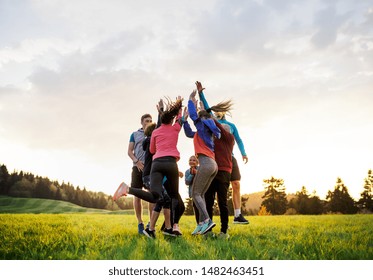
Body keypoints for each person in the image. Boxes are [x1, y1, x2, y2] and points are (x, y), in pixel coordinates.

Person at [114, 97, 184, 238]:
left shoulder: (156, 134)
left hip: (156, 169)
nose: (150, 123)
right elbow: (177, 122)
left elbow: (155, 141)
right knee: (162, 198)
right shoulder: (144, 136)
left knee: (159, 198)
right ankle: (155, 226)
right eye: (146, 121)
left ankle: (161, 228)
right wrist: (179, 109)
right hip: (147, 170)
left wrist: (161, 111)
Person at [197, 81, 249, 224]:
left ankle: (238, 215)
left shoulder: (231, 126)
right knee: (217, 192)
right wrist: (201, 93)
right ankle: (211, 220)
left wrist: (243, 153)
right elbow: (207, 109)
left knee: (236, 184)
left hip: (230, 158)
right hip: (217, 159)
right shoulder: (213, 122)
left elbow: (238, 139)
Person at [183, 90, 221, 235]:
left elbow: (194, 115)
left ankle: (207, 221)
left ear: (201, 117)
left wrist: (191, 99)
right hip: (213, 165)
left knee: (195, 193)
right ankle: (201, 224)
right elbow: (188, 133)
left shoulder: (203, 123)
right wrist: (184, 121)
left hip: (205, 163)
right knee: (201, 194)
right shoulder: (205, 130)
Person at [113, 113, 154, 235]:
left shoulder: (154, 132)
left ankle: (150, 223)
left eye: (150, 120)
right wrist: (136, 162)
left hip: (151, 168)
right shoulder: (134, 134)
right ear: (141, 122)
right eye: (147, 120)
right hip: (137, 168)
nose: (149, 122)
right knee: (137, 195)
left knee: (152, 196)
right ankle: (140, 223)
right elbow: (129, 151)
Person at [205, 122, 235, 239]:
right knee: (208, 201)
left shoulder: (229, 138)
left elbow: (220, 129)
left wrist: (210, 117)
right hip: (212, 171)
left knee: (222, 202)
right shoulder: (213, 140)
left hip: (223, 172)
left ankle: (224, 231)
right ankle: (208, 230)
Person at [184, 155, 199, 224]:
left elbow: (202, 180)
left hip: (201, 192)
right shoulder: (187, 172)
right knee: (196, 208)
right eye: (190, 160)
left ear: (197, 162)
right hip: (193, 193)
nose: (192, 161)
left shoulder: (200, 169)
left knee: (201, 208)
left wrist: (197, 174)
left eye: (194, 160)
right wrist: (192, 175)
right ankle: (198, 224)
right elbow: (187, 182)